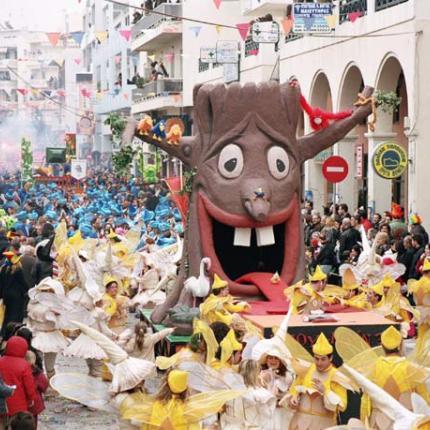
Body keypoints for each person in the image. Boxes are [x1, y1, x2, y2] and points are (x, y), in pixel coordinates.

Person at [361, 326, 430, 429]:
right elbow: (423, 398)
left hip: (379, 421)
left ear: (382, 345)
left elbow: (366, 400)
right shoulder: (411, 368)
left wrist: (364, 420)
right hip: (405, 421)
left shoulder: (373, 367)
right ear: (401, 345)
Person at [285, 333, 347, 430]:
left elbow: (342, 405)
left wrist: (326, 391)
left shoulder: (336, 376)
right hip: (301, 422)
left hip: (323, 423)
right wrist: (294, 397)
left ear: (330, 358)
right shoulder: (306, 369)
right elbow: (294, 389)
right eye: (316, 359)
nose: (319, 363)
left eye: (323, 359)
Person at [221, 359, 276, 429]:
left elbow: (227, 413)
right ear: (255, 373)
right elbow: (268, 415)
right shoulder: (261, 394)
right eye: (259, 371)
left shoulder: (231, 391)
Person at [0, 337, 37, 419]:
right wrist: (32, 398)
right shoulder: (24, 365)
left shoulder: (1, 361)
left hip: (2, 402)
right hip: (19, 405)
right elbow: (29, 386)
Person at [0, 250, 29, 336]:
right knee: (16, 315)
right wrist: (27, 291)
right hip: (17, 297)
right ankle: (14, 333)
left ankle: (5, 332)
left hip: (6, 296)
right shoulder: (18, 269)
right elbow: (23, 283)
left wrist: (1, 295)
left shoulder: (3, 268)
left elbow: (1, 284)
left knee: (7, 315)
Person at [25, 351, 48, 429]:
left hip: (23, 402)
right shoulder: (37, 372)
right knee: (33, 420)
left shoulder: (21, 369)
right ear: (34, 360)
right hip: (35, 402)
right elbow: (44, 385)